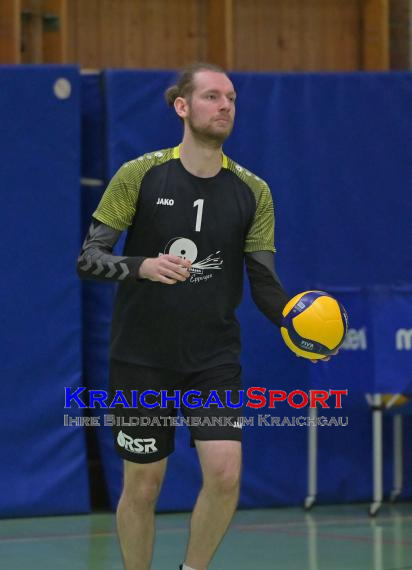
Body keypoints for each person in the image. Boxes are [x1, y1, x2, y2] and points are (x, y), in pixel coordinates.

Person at [77, 62, 331, 570]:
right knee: (144, 486)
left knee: (225, 474)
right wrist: (140, 265)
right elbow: (89, 258)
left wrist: (295, 320)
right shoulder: (139, 175)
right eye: (213, 96)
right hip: (142, 356)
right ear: (182, 106)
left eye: (231, 98)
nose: (225, 106)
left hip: (213, 358)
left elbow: (263, 281)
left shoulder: (252, 191)